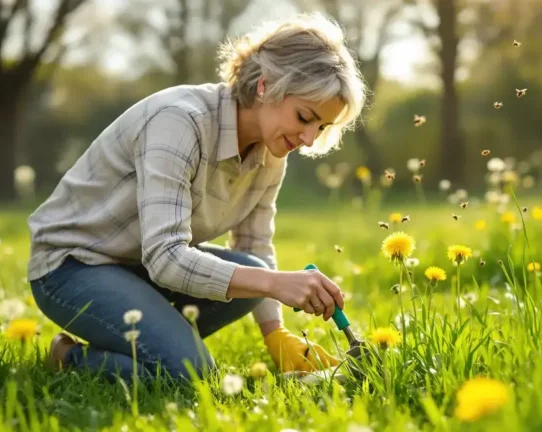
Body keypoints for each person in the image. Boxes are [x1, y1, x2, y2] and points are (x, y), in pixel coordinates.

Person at [26, 12, 367, 382]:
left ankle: (150, 343)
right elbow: (165, 257)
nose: (309, 139)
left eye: (322, 126)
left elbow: (255, 245)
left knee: (254, 265)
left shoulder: (271, 152)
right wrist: (276, 283)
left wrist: (276, 335)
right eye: (304, 117)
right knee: (192, 372)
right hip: (73, 266)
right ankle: (69, 358)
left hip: (137, 268)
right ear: (266, 85)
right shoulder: (179, 121)